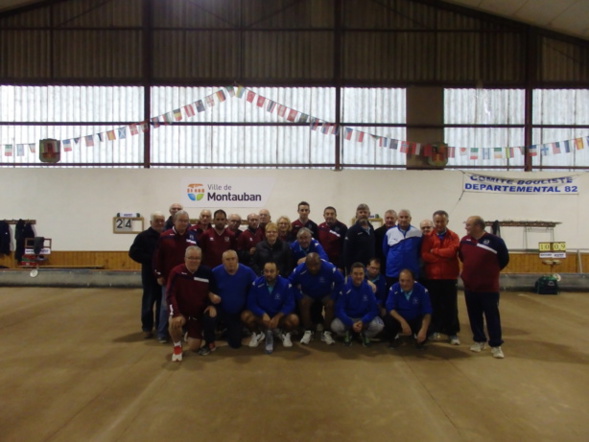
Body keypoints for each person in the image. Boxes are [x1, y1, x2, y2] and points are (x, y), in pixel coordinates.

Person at [459, 215, 509, 359]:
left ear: (478, 226)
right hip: (470, 286)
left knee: (492, 316)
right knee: (474, 316)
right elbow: (463, 257)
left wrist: (489, 272)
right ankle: (479, 340)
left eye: (468, 225)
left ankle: (496, 345)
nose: (466, 227)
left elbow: (504, 260)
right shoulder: (465, 240)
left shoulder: (496, 242)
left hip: (488, 288)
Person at [167, 246, 219, 362]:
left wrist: (212, 305)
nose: (194, 261)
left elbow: (213, 291)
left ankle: (189, 332)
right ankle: (177, 346)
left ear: (201, 259)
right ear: (185, 258)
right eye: (191, 258)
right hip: (182, 312)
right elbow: (170, 295)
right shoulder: (176, 272)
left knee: (194, 347)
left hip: (197, 315)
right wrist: (175, 313)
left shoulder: (207, 272)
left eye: (197, 258)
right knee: (174, 322)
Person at [153, 210, 198, 343]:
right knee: (165, 306)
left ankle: (182, 331)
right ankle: (162, 333)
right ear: (174, 221)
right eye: (181, 220)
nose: (184, 223)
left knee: (184, 305)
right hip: (168, 279)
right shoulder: (164, 236)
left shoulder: (193, 236)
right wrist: (158, 274)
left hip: (187, 279)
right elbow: (157, 258)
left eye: (186, 221)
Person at [201, 250, 257, 351]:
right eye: (227, 259)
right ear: (222, 261)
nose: (230, 262)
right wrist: (211, 303)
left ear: (237, 260)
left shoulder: (247, 271)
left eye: (233, 259)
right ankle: (209, 342)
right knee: (209, 315)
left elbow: (257, 287)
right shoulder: (215, 272)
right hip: (221, 308)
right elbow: (206, 289)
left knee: (235, 344)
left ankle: (230, 330)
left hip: (238, 311)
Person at [241, 261, 299, 354]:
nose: (268, 274)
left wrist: (278, 316)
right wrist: (262, 314)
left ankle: (283, 333)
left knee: (294, 319)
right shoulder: (256, 283)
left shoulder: (286, 284)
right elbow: (251, 303)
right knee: (245, 316)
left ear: (277, 272)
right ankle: (258, 334)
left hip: (279, 319)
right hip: (262, 319)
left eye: (272, 271)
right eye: (266, 271)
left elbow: (290, 304)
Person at [421, 210, 461, 345]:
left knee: (451, 306)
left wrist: (436, 251)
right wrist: (442, 257)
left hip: (450, 277)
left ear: (447, 222)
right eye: (437, 221)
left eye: (442, 221)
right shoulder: (428, 237)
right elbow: (425, 255)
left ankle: (452, 333)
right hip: (433, 277)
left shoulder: (454, 236)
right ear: (434, 222)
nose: (439, 224)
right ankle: (434, 330)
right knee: (434, 305)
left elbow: (452, 252)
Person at [289, 253, 344, 345]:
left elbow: (341, 282)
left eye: (316, 265)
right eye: (310, 265)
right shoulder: (299, 270)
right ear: (306, 264)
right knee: (303, 303)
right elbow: (290, 283)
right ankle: (308, 330)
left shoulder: (329, 268)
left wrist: (333, 297)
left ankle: (326, 331)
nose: (313, 268)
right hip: (308, 294)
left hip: (326, 293)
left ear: (320, 262)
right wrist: (299, 296)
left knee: (331, 304)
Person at [128, 211, 166, 338]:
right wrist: (152, 259)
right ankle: (147, 328)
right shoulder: (143, 236)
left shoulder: (167, 236)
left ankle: (160, 327)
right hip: (149, 276)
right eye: (157, 221)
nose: (160, 223)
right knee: (148, 303)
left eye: (162, 220)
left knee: (162, 304)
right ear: (151, 222)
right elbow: (133, 253)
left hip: (164, 276)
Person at [331, 262, 384, 346]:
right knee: (335, 326)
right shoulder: (345, 288)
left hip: (363, 318)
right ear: (351, 274)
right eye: (355, 274)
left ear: (364, 274)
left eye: (361, 274)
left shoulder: (368, 288)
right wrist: (351, 323)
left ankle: (363, 335)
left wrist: (363, 321)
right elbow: (339, 309)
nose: (358, 276)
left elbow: (374, 310)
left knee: (379, 326)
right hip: (349, 318)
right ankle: (349, 333)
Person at [384, 269, 432, 350]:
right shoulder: (394, 288)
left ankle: (418, 338)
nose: (405, 284)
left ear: (413, 280)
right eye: (402, 281)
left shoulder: (422, 290)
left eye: (408, 281)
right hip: (399, 320)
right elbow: (390, 308)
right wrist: (403, 322)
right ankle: (394, 338)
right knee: (387, 319)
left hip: (415, 319)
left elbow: (427, 312)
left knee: (429, 326)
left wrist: (424, 330)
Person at [383, 209, 422, 287]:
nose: (403, 219)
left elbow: (419, 252)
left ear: (410, 219)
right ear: (398, 218)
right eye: (401, 217)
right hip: (393, 272)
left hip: (411, 271)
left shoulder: (417, 233)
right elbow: (385, 250)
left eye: (406, 217)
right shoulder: (390, 232)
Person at [343, 203, 375, 274]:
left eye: (365, 212)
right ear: (356, 215)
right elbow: (347, 252)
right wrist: (349, 271)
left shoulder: (371, 228)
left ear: (369, 214)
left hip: (370, 267)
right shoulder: (352, 230)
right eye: (360, 212)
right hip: (356, 269)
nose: (363, 214)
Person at [317, 206, 348, 270]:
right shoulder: (320, 227)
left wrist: (341, 266)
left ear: (335, 215)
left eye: (332, 214)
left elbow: (344, 248)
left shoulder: (343, 227)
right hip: (323, 263)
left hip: (337, 264)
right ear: (324, 215)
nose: (329, 216)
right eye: (327, 214)